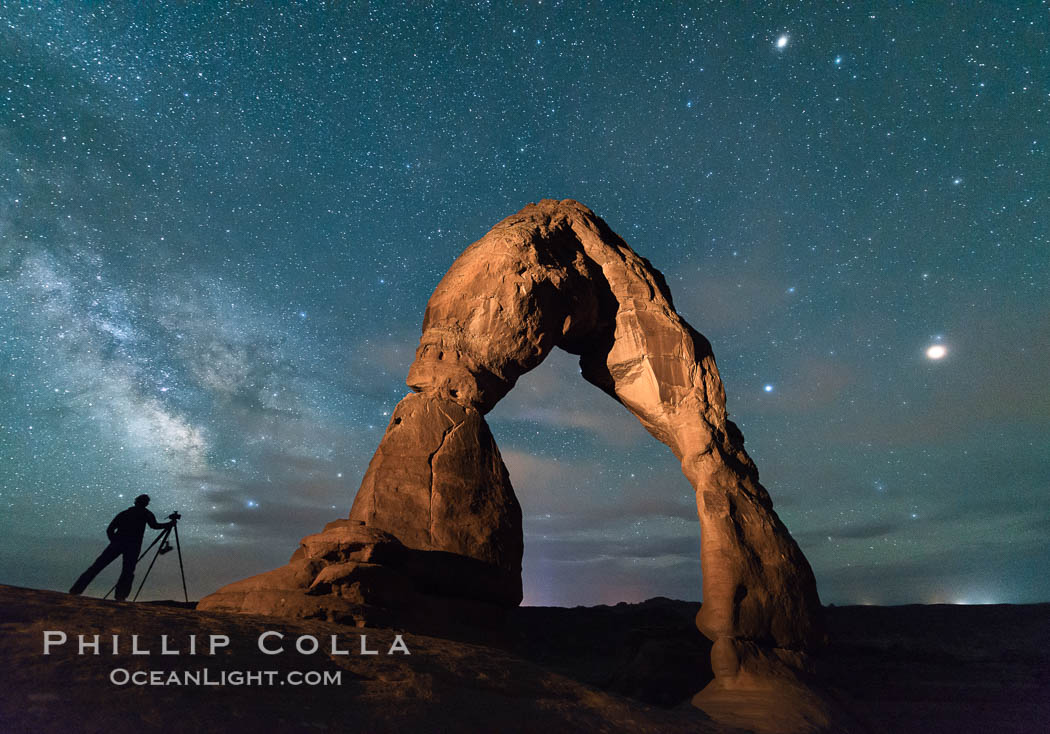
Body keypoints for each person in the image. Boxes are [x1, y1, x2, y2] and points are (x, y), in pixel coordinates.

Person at [69, 494, 174, 601]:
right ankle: (121, 596)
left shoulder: (125, 513)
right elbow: (155, 526)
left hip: (118, 544)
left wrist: (114, 541)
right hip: (133, 546)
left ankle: (76, 590)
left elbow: (110, 529)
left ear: (136, 501)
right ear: (146, 503)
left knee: (97, 566)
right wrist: (169, 524)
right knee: (127, 571)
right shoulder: (146, 514)